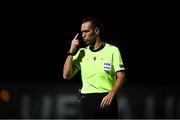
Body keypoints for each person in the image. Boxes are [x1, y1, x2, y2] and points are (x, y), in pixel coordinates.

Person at [63, 17, 126, 119]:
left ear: (96, 31)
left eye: (86, 31)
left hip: (106, 99)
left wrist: (112, 94)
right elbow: (66, 75)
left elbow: (121, 76)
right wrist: (71, 51)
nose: (83, 35)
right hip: (86, 101)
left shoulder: (112, 50)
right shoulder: (81, 52)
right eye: (82, 32)